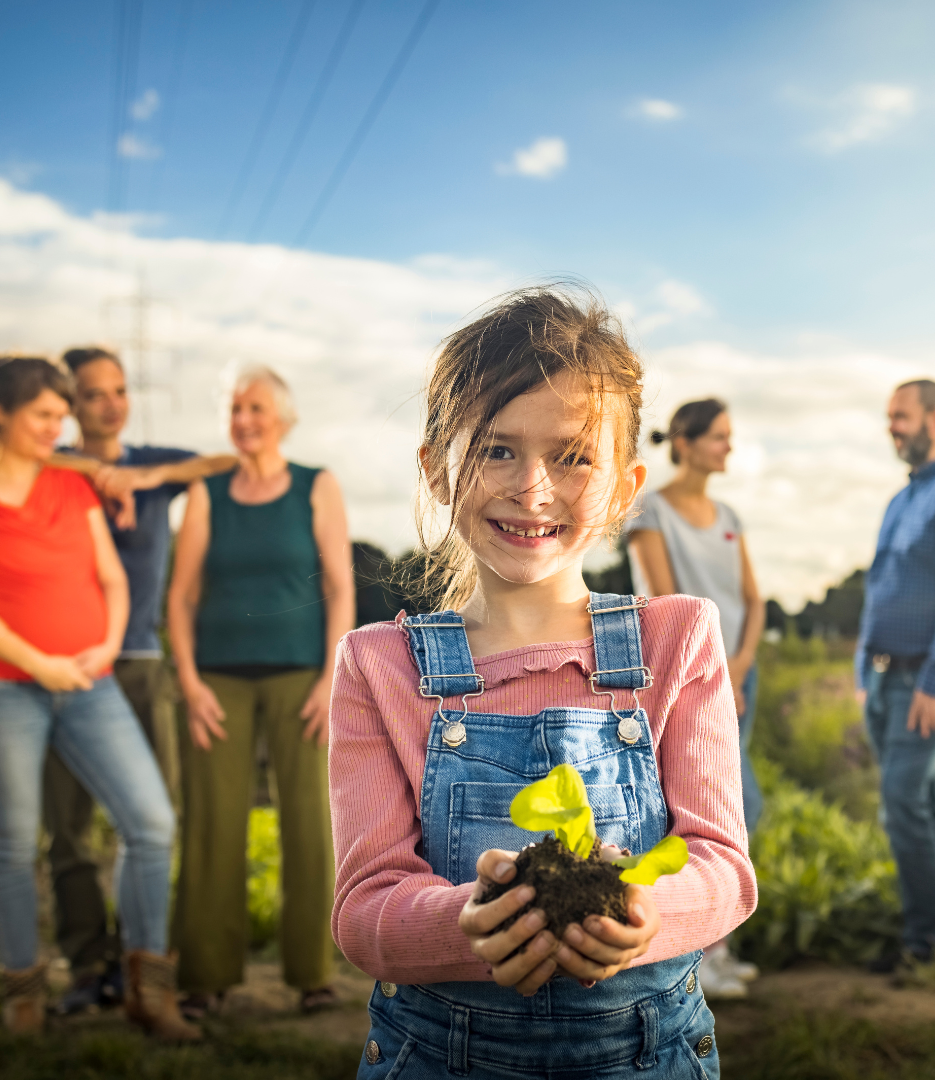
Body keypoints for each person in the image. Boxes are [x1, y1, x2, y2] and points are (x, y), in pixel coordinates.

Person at [329, 287, 756, 1078]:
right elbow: (364, 908)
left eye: (573, 455)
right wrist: (469, 921)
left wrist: (643, 910)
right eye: (496, 449)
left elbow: (722, 866)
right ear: (435, 469)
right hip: (439, 1057)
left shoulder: (678, 640)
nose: (532, 489)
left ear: (626, 486)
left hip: (643, 1055)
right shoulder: (377, 666)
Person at [0, 355, 198, 1040]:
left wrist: (101, 651)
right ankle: (22, 995)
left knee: (151, 823)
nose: (58, 428)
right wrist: (39, 664)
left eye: (60, 415)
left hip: (88, 681)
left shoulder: (69, 488)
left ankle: (148, 991)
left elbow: (111, 578)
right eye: (44, 415)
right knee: (13, 843)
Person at [39, 346, 236, 1014]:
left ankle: (135, 961)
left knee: (149, 822)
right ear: (69, 404)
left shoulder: (152, 461)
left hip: (144, 666)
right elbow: (18, 462)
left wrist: (142, 479)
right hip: (63, 666)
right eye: (94, 394)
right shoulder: (53, 469)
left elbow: (222, 463)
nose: (111, 404)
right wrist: (92, 470)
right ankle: (85, 966)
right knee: (65, 828)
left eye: (119, 390)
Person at [167, 365, 355, 1016]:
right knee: (213, 824)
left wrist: (332, 676)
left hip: (300, 677)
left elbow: (339, 586)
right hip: (216, 679)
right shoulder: (205, 492)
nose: (243, 419)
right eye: (235, 408)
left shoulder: (315, 485)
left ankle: (312, 975)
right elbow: (182, 593)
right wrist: (189, 684)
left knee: (309, 822)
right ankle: (205, 977)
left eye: (255, 407)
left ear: (283, 416)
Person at [628, 398, 765, 999]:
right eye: (718, 436)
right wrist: (714, 674)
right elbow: (666, 605)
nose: (727, 446)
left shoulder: (729, 513)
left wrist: (737, 667)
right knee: (720, 806)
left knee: (724, 815)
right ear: (683, 442)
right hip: (682, 680)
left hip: (738, 679)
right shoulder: (648, 509)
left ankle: (718, 949)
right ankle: (687, 948)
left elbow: (754, 601)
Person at [856, 379, 935, 971]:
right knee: (922, 802)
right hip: (883, 679)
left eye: (900, 417)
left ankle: (923, 940)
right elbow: (877, 588)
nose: (892, 428)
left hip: (926, 680)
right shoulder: (898, 500)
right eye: (889, 417)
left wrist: (934, 681)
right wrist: (863, 669)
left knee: (902, 802)